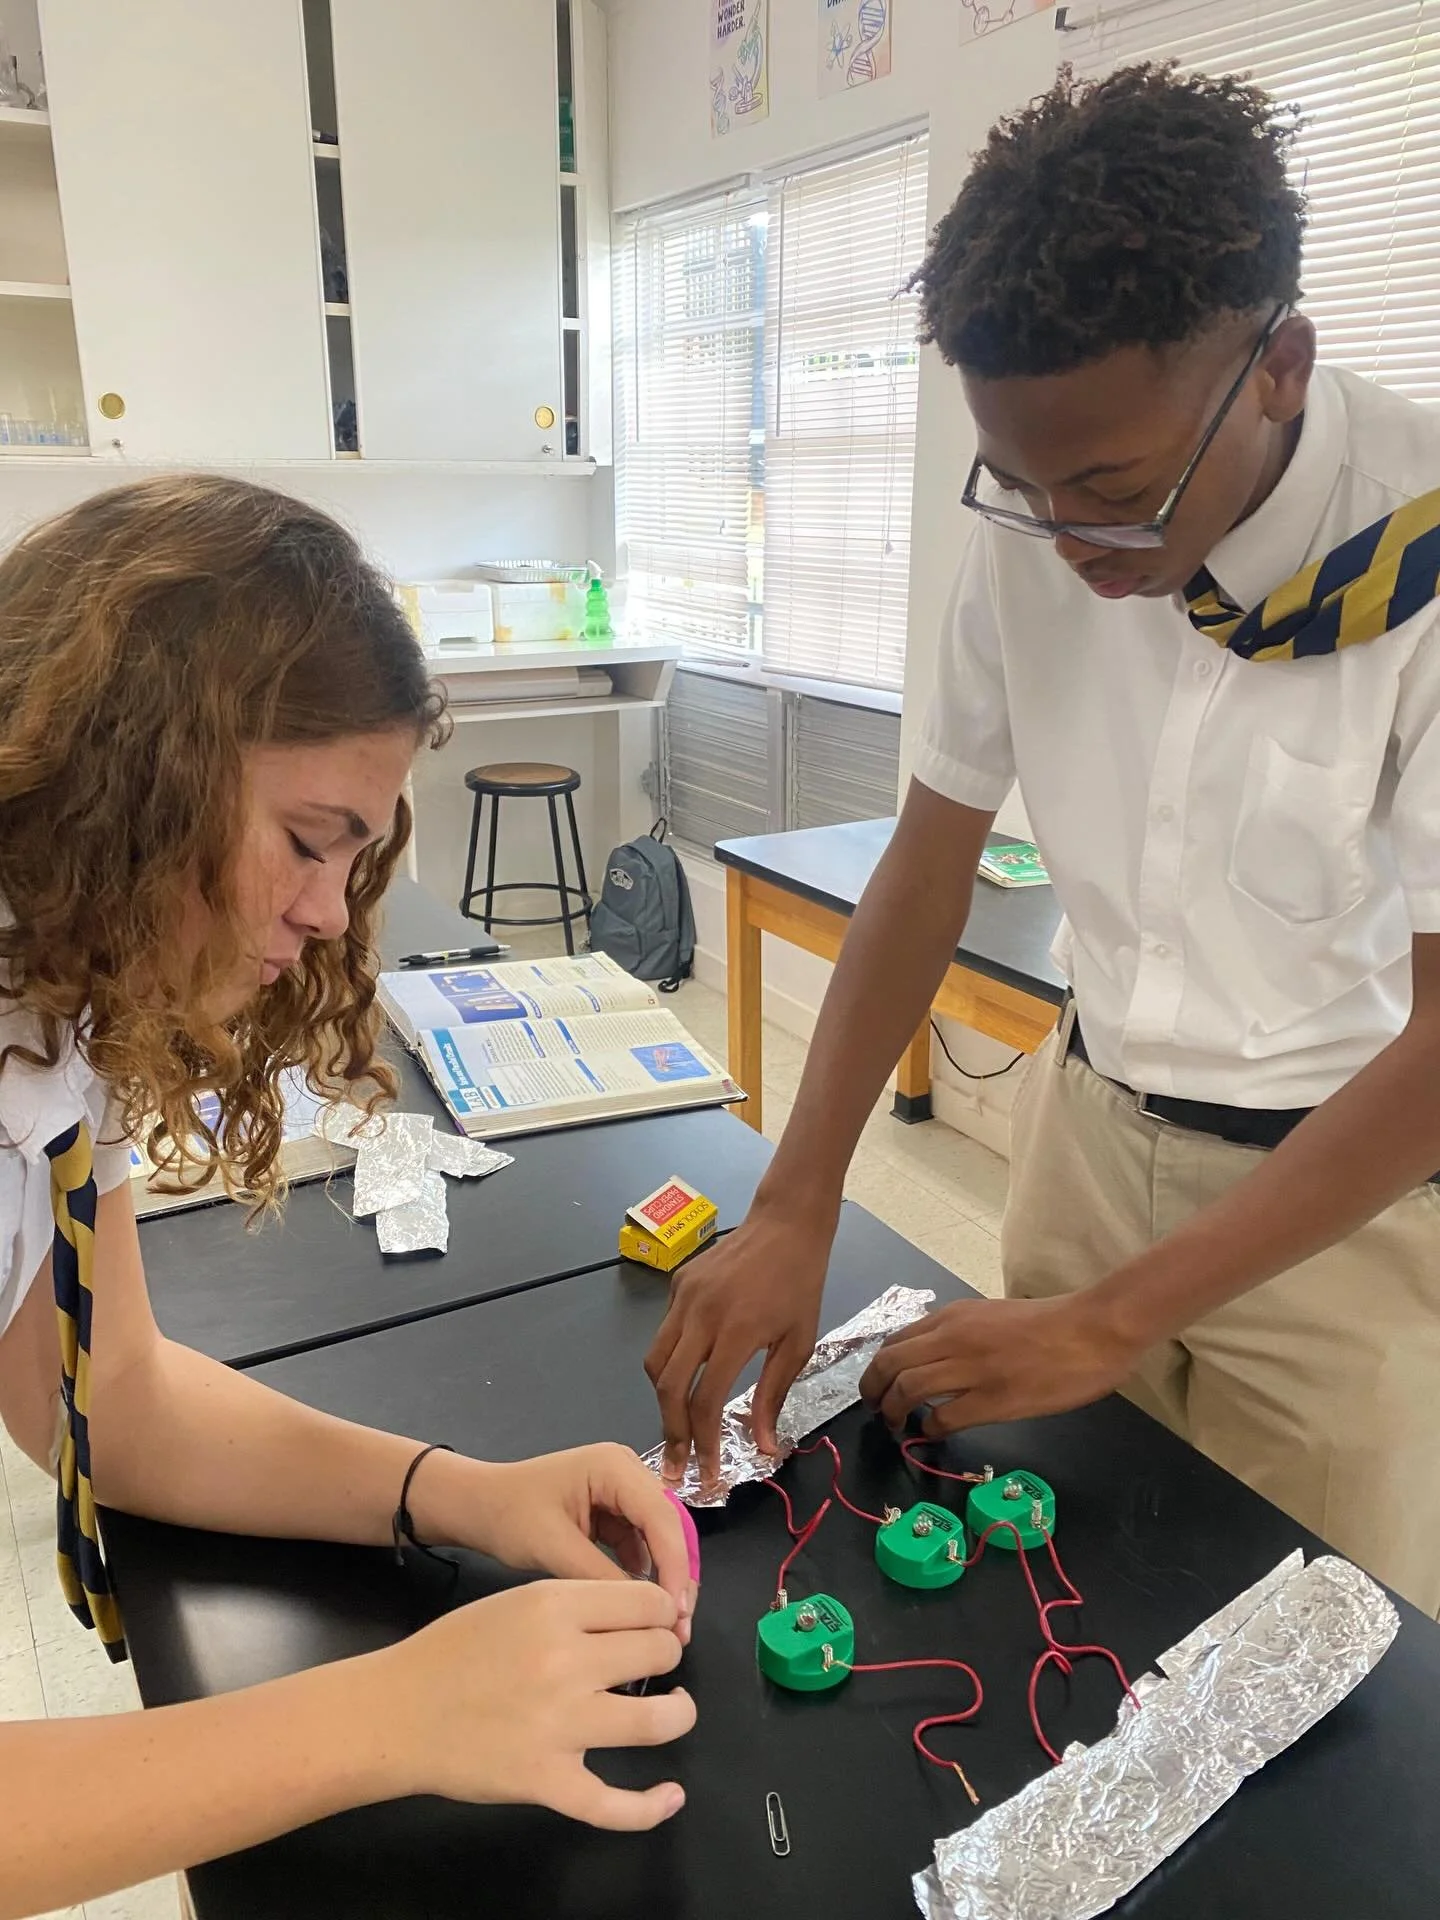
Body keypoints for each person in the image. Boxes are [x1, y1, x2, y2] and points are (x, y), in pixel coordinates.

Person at [647, 64, 1440, 1613]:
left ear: (1278, 365)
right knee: (1069, 1607)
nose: (1071, 540)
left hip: (1341, 1212)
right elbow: (926, 867)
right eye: (1022, 485)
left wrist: (1114, 1319)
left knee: (1316, 1653)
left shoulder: (1421, 559)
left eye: (1116, 491)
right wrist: (799, 1196)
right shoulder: (1041, 524)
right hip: (1090, 1145)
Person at [0, 475, 697, 1913]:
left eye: (357, 858)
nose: (330, 911)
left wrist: (459, 1496)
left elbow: (108, 1393)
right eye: (307, 840)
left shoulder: (60, 1000)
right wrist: (390, 1717)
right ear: (140, 772)